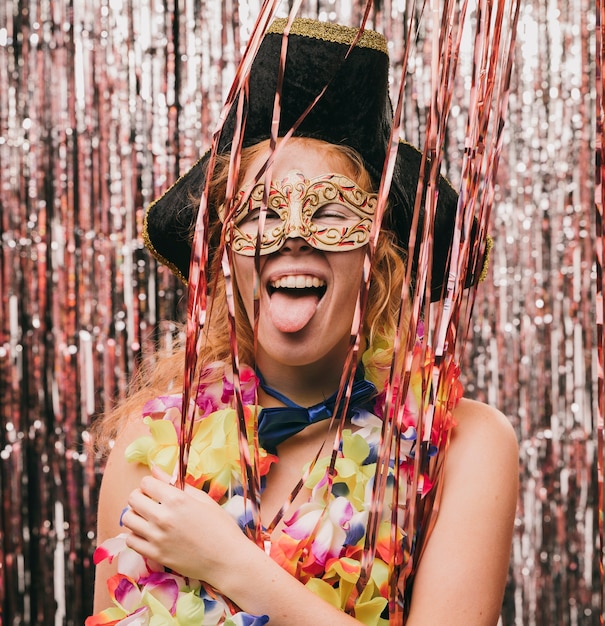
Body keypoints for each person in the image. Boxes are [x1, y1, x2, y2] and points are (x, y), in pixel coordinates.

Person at [89, 17, 518, 626]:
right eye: (259, 212)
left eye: (332, 211)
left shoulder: (463, 445)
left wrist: (228, 563)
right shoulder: (153, 443)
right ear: (224, 255)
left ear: (383, 254)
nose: (291, 239)